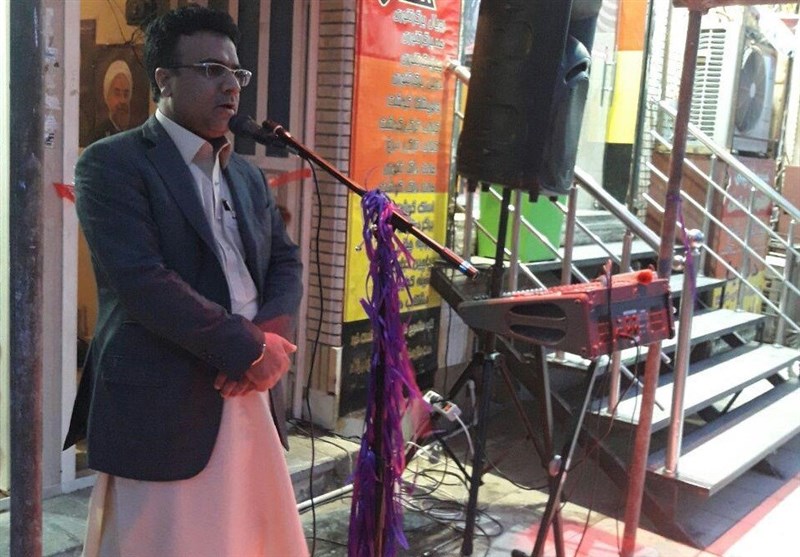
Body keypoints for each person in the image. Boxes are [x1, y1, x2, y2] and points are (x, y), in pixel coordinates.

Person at [64, 5, 308, 556]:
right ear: (164, 79)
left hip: (248, 388)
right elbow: (143, 282)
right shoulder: (112, 164)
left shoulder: (245, 174)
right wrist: (247, 348)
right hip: (165, 398)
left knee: (247, 540)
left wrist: (269, 340)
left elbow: (285, 262)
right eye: (211, 69)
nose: (231, 86)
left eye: (236, 72)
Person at [92, 60, 133, 142]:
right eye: (117, 94)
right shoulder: (98, 135)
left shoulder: (134, 135)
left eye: (126, 94)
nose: (122, 100)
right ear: (107, 97)